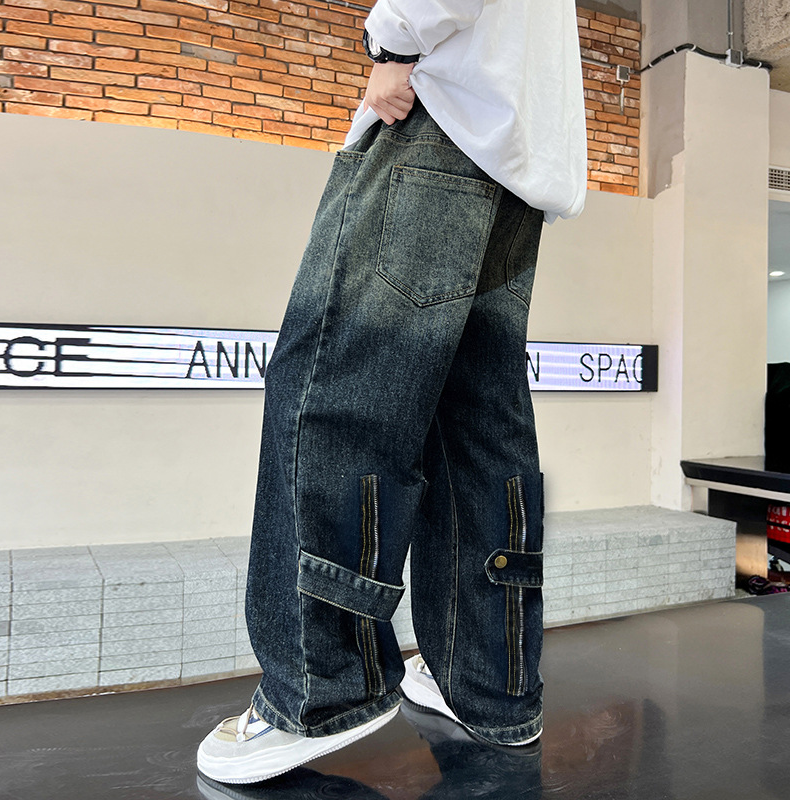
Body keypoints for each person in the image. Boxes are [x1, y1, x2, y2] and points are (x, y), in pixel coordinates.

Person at [197, 0, 587, 784]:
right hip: (519, 158)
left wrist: (390, 43)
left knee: (329, 392)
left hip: (437, 123)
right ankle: (490, 689)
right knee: (475, 424)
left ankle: (320, 689)